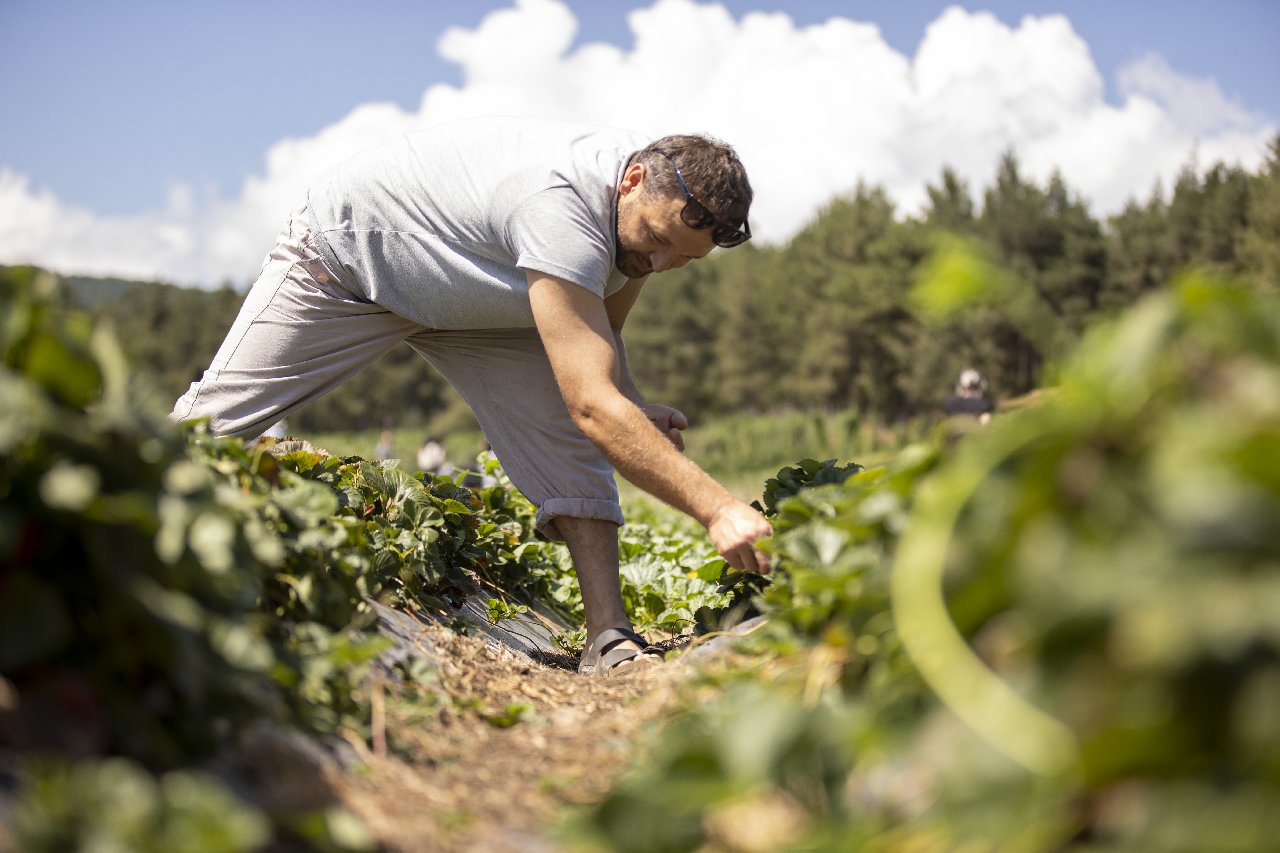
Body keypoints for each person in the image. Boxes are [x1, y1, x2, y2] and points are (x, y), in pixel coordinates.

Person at [170, 116, 772, 677]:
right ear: (634, 180)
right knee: (214, 424)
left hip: (478, 298)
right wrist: (719, 509)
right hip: (350, 262)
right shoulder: (563, 212)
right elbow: (594, 405)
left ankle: (608, 636)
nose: (658, 262)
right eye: (657, 240)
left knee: (565, 441)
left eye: (680, 261)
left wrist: (634, 403)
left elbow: (604, 338)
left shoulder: (634, 225)